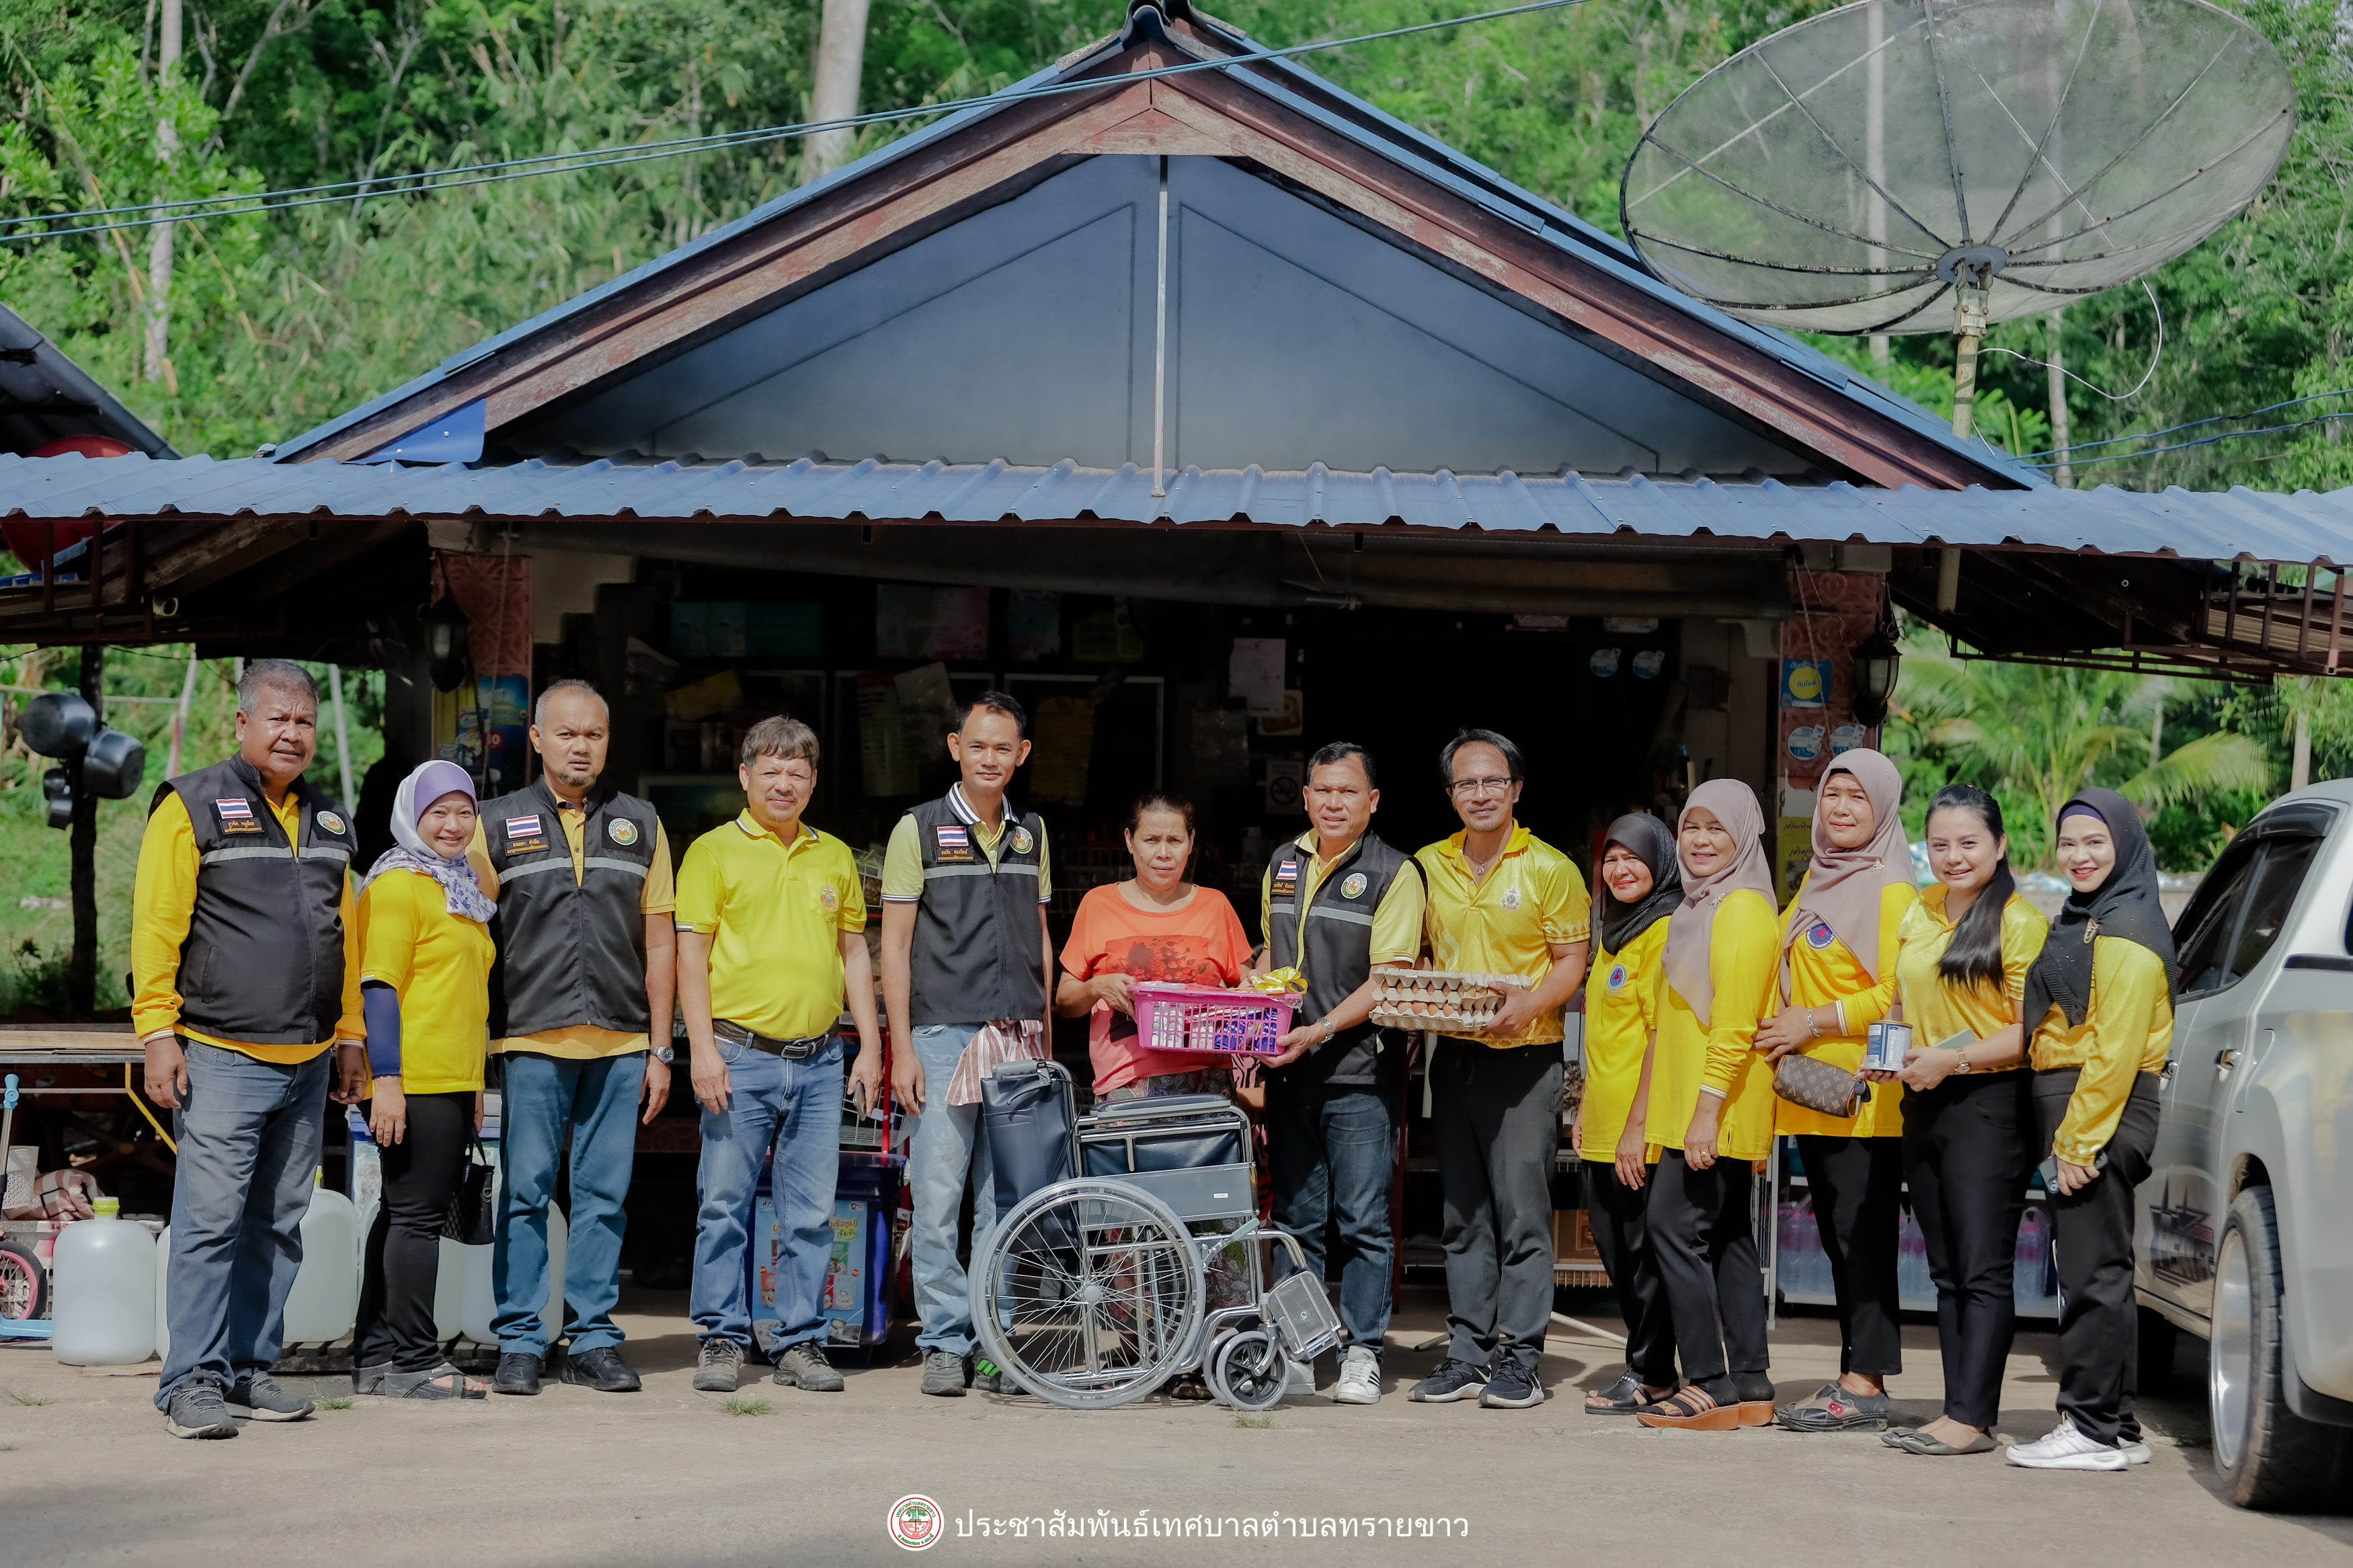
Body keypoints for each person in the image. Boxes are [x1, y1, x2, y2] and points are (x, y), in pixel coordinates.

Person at [132, 659, 368, 1439]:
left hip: (307, 1058)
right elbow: (157, 923)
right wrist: (157, 1032)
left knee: (277, 1222)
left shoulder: (330, 821)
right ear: (242, 723)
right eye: (279, 718)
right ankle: (189, 1382)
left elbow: (346, 938)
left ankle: (246, 1368)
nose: (294, 733)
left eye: (304, 721)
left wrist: (351, 1039)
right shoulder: (192, 802)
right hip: (221, 1053)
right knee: (210, 1222)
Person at [469, 679, 677, 1397]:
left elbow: (660, 941)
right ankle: (521, 1339)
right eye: (566, 733)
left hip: (620, 1044)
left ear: (606, 741)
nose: (580, 746)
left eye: (592, 734)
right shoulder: (491, 823)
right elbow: (472, 944)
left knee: (603, 1196)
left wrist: (660, 1047)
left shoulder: (642, 822)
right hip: (529, 1039)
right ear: (536, 738)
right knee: (524, 1193)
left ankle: (592, 1337)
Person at [680, 718, 881, 1396]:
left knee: (810, 1211)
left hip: (822, 1060)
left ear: (814, 780)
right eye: (771, 770)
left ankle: (799, 1339)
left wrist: (870, 1043)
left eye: (797, 771)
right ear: (744, 776)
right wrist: (700, 1047)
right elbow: (690, 957)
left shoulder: (834, 855)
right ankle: (721, 1335)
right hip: (739, 1054)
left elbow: (854, 952)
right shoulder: (711, 852)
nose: (784, 782)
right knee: (724, 1202)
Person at [1408, 730, 1590, 1412]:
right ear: (1449, 794)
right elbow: (1415, 950)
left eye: (1492, 781)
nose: (1478, 794)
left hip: (1525, 1059)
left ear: (1515, 788)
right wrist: (1420, 979)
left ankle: (1520, 1358)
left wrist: (1528, 1005)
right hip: (1452, 1056)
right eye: (1465, 783)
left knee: (1521, 1214)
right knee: (1461, 1213)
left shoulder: (1549, 868)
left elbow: (1572, 961)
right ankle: (1465, 1353)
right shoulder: (1427, 864)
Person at [879, 692, 1051, 1399]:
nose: (989, 758)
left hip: (1016, 1034)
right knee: (940, 1195)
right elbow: (893, 942)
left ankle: (994, 1339)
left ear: (1021, 754)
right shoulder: (915, 829)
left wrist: (1045, 1034)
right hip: (942, 1032)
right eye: (976, 745)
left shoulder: (1031, 831)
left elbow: (1040, 936)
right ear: (955, 746)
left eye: (1001, 746)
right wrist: (902, 1049)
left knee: (1004, 1197)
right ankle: (944, 1339)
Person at [2005, 788, 2173, 1472]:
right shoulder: (2091, 916)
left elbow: (2114, 1047)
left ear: (2125, 844)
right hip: (2081, 1102)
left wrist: (2075, 1145)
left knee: (2088, 1272)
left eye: (2094, 842)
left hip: (2096, 1105)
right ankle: (2116, 1422)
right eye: (2068, 842)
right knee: (2100, 1266)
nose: (2078, 855)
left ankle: (2090, 1426)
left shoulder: (2126, 926)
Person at [1254, 743, 1427, 1406]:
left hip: (1356, 1070)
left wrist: (1318, 1030)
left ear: (1371, 801)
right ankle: (1299, 1347)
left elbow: (1388, 981)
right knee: (1295, 1216)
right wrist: (1254, 1005)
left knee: (1360, 1218)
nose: (1332, 802)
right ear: (1304, 797)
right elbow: (1272, 947)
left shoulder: (1394, 872)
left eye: (1346, 791)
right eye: (1321, 790)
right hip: (1287, 1070)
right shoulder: (1283, 862)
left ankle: (1362, 1349)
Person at [1753, 751, 1918, 1434]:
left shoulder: (1888, 888)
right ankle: (1856, 1373)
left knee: (1860, 1237)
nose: (1840, 808)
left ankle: (1865, 1380)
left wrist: (1812, 1022)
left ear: (1881, 807)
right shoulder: (1817, 880)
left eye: (1856, 797)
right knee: (1837, 1236)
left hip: (1861, 1097)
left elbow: (1896, 993)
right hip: (1812, 1092)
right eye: (1831, 795)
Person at [1882, 784, 2049, 1456]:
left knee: (1981, 1268)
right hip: (1920, 1100)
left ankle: (1972, 1415)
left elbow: (2027, 1032)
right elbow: (1899, 999)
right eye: (1940, 843)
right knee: (1946, 1269)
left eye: (1968, 842)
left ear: (1999, 844)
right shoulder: (1920, 910)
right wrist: (1884, 1056)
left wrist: (1946, 1061)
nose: (1953, 856)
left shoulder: (2018, 922)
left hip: (1989, 1106)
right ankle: (1958, 1408)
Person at [1633, 779, 1780, 1431]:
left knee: (1672, 1226)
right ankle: (1749, 1382)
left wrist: (1704, 1111)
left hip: (1715, 1108)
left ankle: (1709, 1383)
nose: (1697, 840)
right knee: (1726, 1238)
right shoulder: (1699, 906)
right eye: (1689, 826)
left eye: (1714, 829)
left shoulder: (1742, 908)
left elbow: (1734, 1023)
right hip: (1695, 1108)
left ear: (1743, 835)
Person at [352, 760, 499, 1399]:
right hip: (412, 1075)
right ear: (412, 814)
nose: (453, 823)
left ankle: (377, 1355)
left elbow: (461, 993)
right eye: (438, 811)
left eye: (465, 811)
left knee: (402, 1212)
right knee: (417, 1217)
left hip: (449, 1076)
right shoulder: (399, 884)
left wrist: (472, 1085)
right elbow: (378, 985)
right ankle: (414, 1361)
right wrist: (387, 1080)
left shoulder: (459, 885)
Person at [1571, 813, 1681, 1413]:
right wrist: (1587, 1107)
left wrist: (1637, 1127)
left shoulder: (1664, 930)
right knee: (1617, 1251)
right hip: (1605, 1118)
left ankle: (1654, 1372)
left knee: (1642, 1258)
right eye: (1611, 859)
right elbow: (1605, 1034)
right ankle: (1645, 1365)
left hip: (1639, 1125)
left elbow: (1661, 1034)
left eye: (1633, 858)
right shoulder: (1614, 931)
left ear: (1660, 861)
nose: (1620, 869)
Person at [1060, 792, 1252, 1104]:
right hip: (1125, 1086)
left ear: (1191, 842)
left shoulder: (1215, 906)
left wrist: (1251, 988)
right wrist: (1096, 987)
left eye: (1175, 841)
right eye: (1151, 840)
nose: (1164, 853)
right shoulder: (1097, 904)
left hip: (1207, 1085)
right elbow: (1066, 1002)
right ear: (1129, 841)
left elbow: (1247, 989)